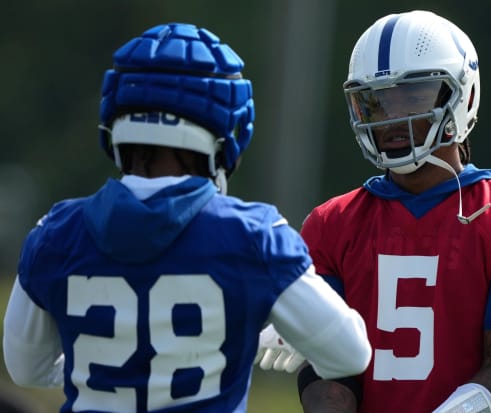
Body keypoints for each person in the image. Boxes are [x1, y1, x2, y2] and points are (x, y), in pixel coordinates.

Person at [2, 22, 371, 413]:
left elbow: (25, 368)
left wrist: (110, 374)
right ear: (228, 123)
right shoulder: (253, 235)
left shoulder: (56, 232)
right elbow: (350, 355)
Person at [254, 9, 491, 413]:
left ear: (462, 95)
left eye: (412, 96)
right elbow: (330, 376)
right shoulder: (331, 225)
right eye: (376, 102)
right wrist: (314, 336)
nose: (392, 119)